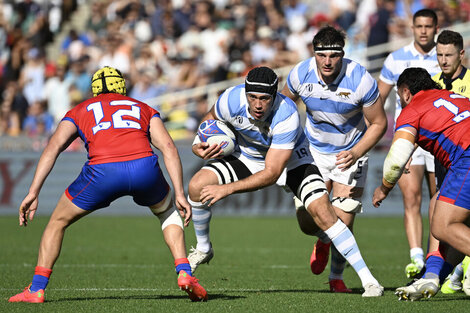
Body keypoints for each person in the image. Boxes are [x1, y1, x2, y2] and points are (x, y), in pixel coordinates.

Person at [8, 66, 207, 303]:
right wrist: (180, 193)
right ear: (122, 86)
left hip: (102, 171)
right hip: (144, 167)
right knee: (167, 212)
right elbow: (169, 148)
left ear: (93, 90)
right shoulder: (142, 108)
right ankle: (184, 271)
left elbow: (53, 148)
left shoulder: (80, 109)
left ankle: (37, 289)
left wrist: (33, 191)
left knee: (57, 222)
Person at [187, 66, 384, 297]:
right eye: (252, 97)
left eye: (264, 99)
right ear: (245, 93)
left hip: (292, 160)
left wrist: (226, 189)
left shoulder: (286, 113)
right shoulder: (230, 99)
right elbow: (208, 121)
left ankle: (370, 282)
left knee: (324, 214)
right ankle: (203, 248)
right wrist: (196, 144)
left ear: (275, 96)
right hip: (249, 156)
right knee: (196, 186)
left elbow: (272, 172)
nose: (258, 105)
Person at [281, 25, 387, 293]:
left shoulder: (360, 79)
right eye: (321, 55)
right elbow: (283, 106)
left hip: (350, 153)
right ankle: (323, 239)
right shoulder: (299, 73)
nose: (327, 61)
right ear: (313, 53)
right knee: (307, 222)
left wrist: (357, 152)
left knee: (344, 219)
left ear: (343, 54)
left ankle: (336, 278)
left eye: (334, 55)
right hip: (311, 151)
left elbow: (378, 123)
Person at [372, 67, 470, 301]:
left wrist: (383, 188)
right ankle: (433, 275)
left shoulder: (412, 108)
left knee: (443, 226)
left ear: (406, 93)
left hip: (466, 158)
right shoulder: (452, 96)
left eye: (399, 97)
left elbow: (396, 161)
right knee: (438, 206)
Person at [377, 9, 440, 279]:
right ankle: (416, 258)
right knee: (411, 197)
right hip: (408, 136)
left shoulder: (444, 56)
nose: (424, 31)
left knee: (439, 200)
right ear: (412, 28)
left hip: (438, 138)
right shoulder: (396, 58)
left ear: (436, 28)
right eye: (419, 26)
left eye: (428, 26)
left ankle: (435, 258)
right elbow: (378, 98)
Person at [431, 30, 470, 295]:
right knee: (445, 220)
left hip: (466, 162)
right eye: (440, 55)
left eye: (449, 55)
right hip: (444, 165)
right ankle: (447, 273)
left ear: (461, 54)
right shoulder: (432, 84)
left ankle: (440, 274)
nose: (444, 60)